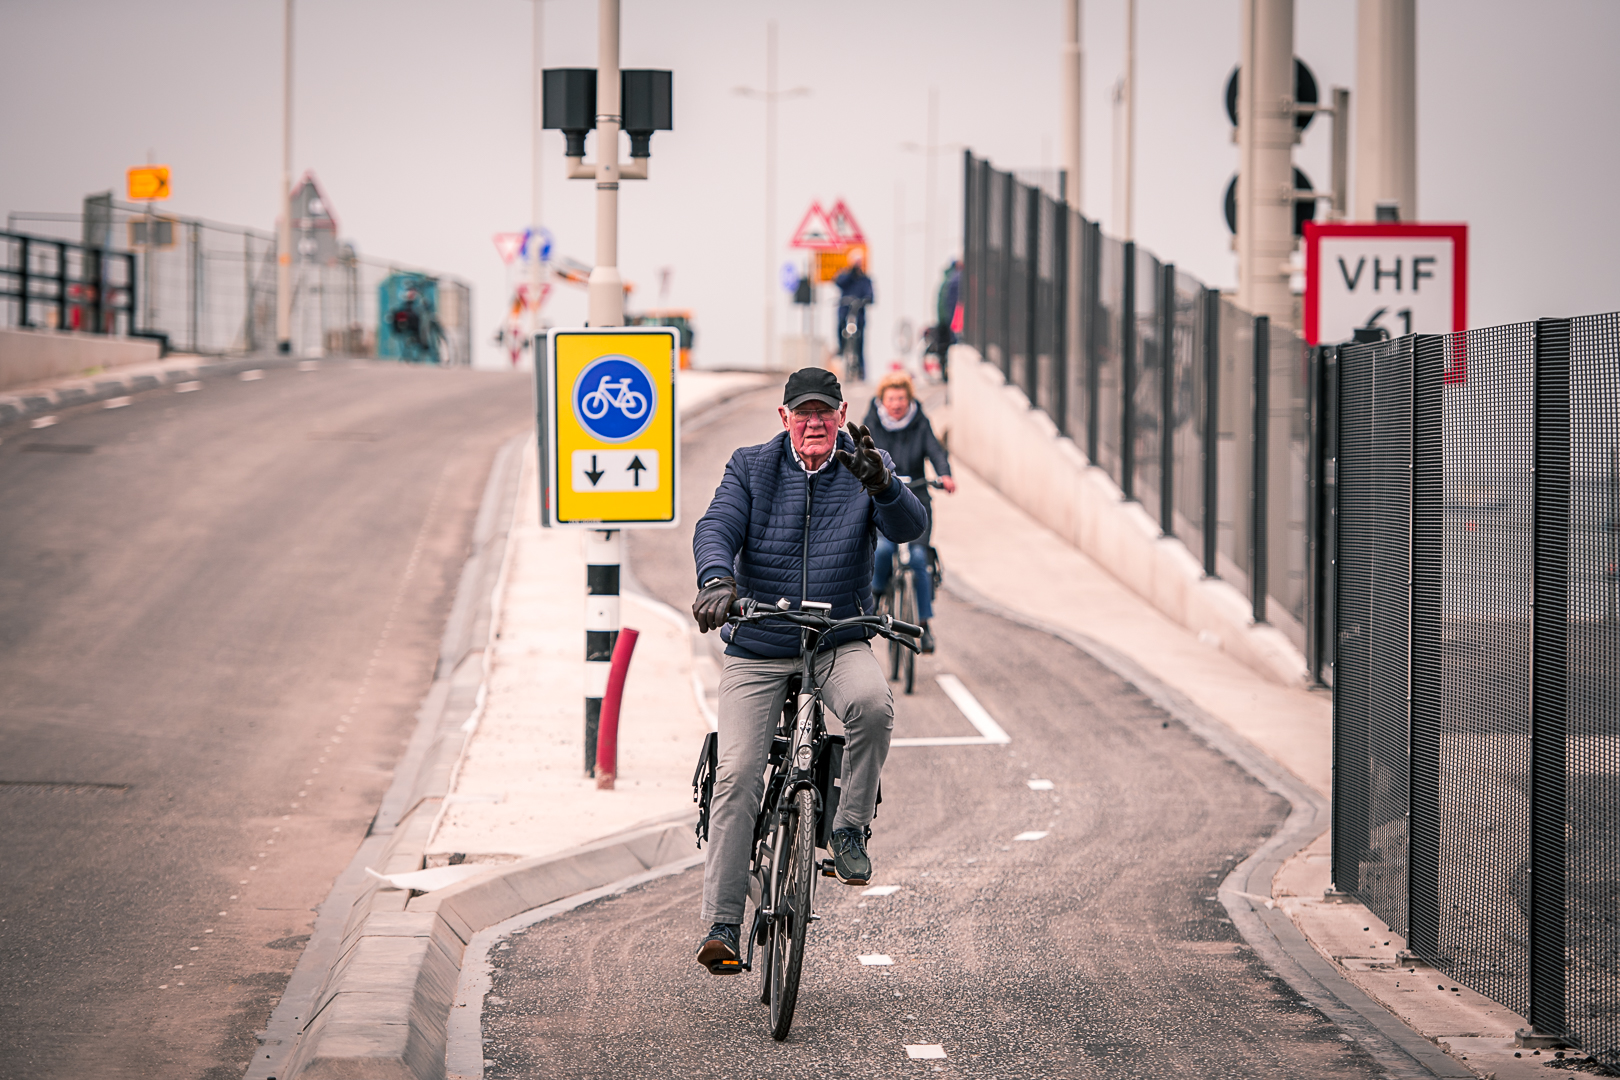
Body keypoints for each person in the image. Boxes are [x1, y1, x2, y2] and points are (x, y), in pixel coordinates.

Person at [689, 366, 928, 975]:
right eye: (804, 412)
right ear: (785, 418)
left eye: (826, 412)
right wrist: (718, 581)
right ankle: (723, 924)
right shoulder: (750, 465)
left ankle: (848, 830)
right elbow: (715, 527)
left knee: (873, 705)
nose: (815, 422)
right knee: (738, 775)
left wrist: (885, 490)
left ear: (841, 415)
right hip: (761, 640)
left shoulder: (861, 464)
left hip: (837, 637)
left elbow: (910, 528)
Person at [862, 370, 955, 654]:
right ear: (883, 400)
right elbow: (861, 453)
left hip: (916, 499)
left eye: (902, 397)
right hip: (883, 500)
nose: (897, 403)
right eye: (891, 398)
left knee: (918, 559)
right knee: (882, 552)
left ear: (908, 399)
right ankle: (875, 598)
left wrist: (945, 474)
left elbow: (936, 451)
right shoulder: (872, 422)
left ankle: (924, 625)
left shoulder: (919, 421)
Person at [834, 251, 875, 382]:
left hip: (859, 315)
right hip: (844, 312)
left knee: (860, 341)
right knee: (840, 328)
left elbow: (871, 295)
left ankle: (861, 369)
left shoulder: (865, 279)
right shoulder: (846, 276)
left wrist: (866, 300)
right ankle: (841, 349)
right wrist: (851, 271)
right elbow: (839, 282)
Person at [929, 258, 961, 380]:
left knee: (944, 347)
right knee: (950, 346)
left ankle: (944, 372)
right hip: (951, 319)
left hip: (943, 319)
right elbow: (952, 303)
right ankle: (947, 374)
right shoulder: (956, 279)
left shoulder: (947, 279)